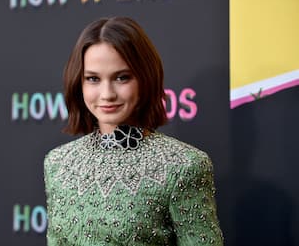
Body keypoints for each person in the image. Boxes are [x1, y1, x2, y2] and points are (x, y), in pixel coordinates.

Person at [44, 16, 223, 246]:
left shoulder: (184, 166)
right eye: (93, 79)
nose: (107, 93)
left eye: (122, 77)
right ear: (78, 83)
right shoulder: (58, 164)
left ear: (145, 78)